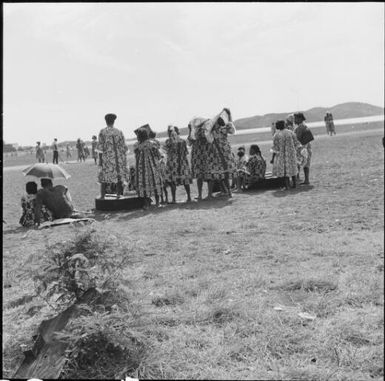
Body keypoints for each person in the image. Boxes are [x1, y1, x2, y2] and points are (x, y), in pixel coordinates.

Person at [206, 108, 237, 198]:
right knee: (223, 174)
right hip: (224, 153)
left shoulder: (215, 131)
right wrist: (229, 115)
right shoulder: (222, 130)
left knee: (220, 174)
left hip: (219, 154)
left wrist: (229, 115)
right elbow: (231, 127)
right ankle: (227, 192)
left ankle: (226, 192)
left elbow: (208, 134)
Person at [97, 113, 129, 199]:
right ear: (114, 121)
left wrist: (100, 160)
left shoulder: (102, 132)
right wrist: (123, 159)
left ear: (106, 121)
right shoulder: (119, 131)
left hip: (106, 158)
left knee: (104, 176)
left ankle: (103, 196)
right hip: (118, 158)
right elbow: (124, 147)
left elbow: (100, 147)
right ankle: (118, 194)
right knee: (118, 176)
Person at [134, 125, 163, 209]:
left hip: (141, 167)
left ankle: (146, 204)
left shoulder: (136, 145)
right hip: (153, 166)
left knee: (143, 184)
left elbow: (136, 155)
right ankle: (157, 203)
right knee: (155, 182)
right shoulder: (152, 143)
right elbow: (158, 154)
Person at [163, 125, 192, 203]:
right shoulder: (182, 141)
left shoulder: (168, 141)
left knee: (173, 181)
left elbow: (165, 150)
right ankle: (189, 197)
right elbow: (186, 152)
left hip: (172, 163)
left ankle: (174, 199)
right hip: (183, 162)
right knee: (185, 181)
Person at [270, 120, 300, 190]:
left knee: (285, 171)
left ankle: (287, 186)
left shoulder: (276, 135)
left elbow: (275, 148)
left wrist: (273, 158)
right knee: (292, 169)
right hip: (291, 154)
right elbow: (296, 143)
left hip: (282, 155)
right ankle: (294, 185)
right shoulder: (290, 132)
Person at [187, 117, 211, 201]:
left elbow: (191, 141)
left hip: (201, 154)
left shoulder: (201, 131)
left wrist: (191, 131)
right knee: (201, 175)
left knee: (204, 175)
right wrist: (190, 131)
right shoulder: (196, 131)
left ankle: (204, 194)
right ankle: (205, 194)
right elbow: (189, 142)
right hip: (199, 155)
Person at [294, 112, 313, 185]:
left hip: (303, 149)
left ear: (300, 119)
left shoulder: (301, 127)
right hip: (305, 148)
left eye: (295, 118)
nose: (294, 120)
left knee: (300, 164)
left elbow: (298, 138)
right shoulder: (303, 126)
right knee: (305, 164)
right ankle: (305, 180)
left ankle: (300, 179)